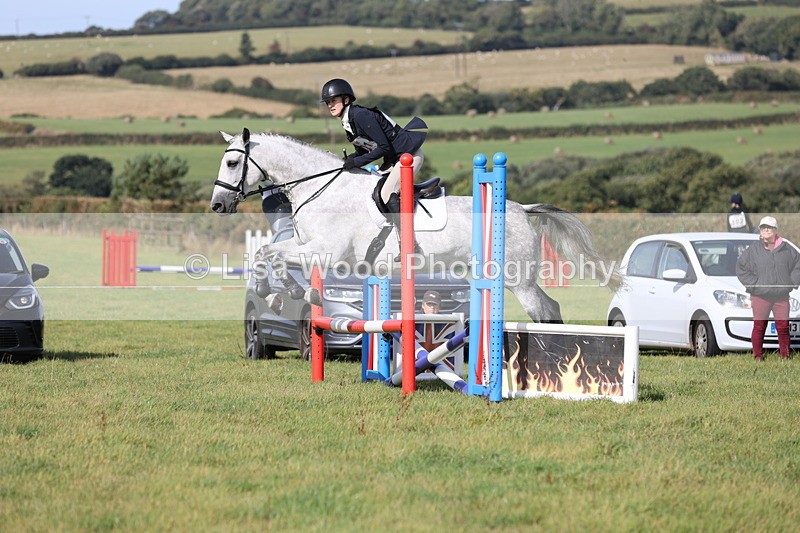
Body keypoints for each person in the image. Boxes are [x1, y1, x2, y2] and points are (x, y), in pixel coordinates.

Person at [320, 78, 427, 221]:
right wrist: (350, 159)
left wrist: (357, 162)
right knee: (369, 188)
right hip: (393, 160)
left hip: (409, 156)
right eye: (328, 102)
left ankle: (406, 237)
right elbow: (365, 149)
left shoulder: (361, 116)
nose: (330, 105)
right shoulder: (349, 121)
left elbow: (383, 147)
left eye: (333, 100)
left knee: (387, 193)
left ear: (346, 100)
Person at [735, 216, 800, 360]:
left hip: (781, 296)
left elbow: (798, 265)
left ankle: (785, 356)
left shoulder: (787, 249)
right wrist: (754, 284)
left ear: (775, 230)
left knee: (783, 328)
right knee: (759, 327)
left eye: (769, 227)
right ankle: (758, 356)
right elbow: (740, 268)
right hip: (760, 296)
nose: (765, 230)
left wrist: (792, 282)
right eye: (763, 227)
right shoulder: (753, 250)